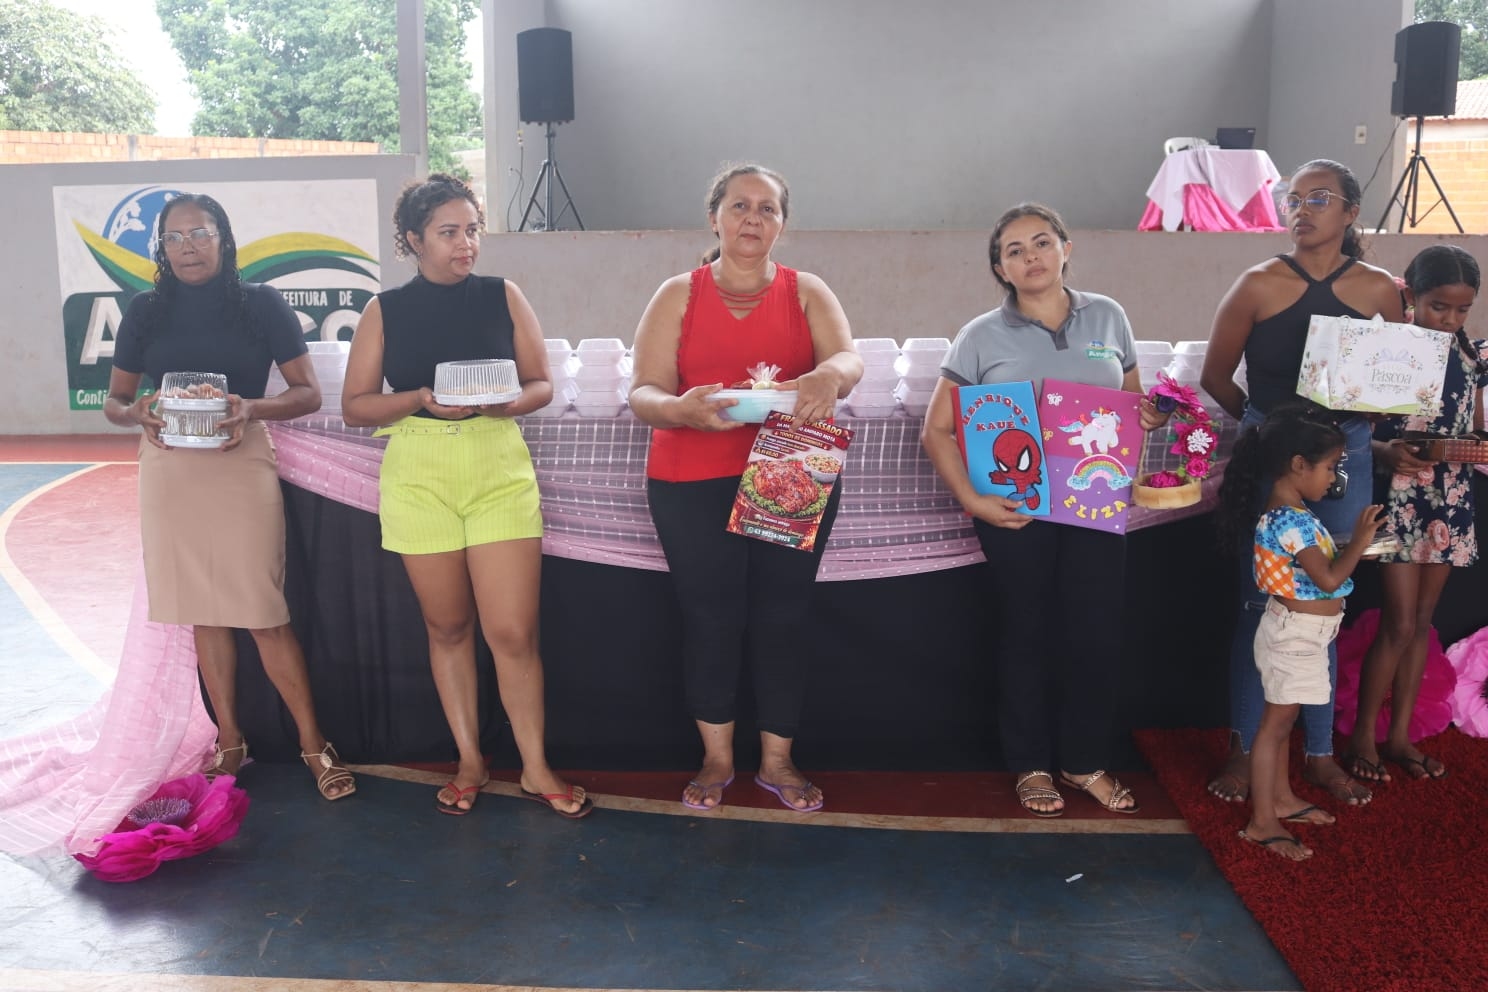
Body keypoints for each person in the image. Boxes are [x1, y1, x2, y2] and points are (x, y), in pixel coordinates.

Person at [341, 174, 589, 818]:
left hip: (498, 469)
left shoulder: (504, 295)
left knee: (513, 632)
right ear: (413, 240)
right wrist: (420, 399)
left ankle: (535, 766)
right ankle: (471, 760)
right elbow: (356, 406)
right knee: (448, 627)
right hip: (418, 474)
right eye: (449, 232)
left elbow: (541, 384)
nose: (466, 244)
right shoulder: (384, 310)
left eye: (472, 230)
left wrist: (506, 404)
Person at [920, 202, 1169, 817]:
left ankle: (1083, 761)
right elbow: (937, 430)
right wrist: (974, 500)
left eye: (1041, 242)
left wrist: (1149, 420)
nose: (1030, 256)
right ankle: (1029, 764)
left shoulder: (1109, 317)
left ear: (1066, 249)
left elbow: (1132, 404)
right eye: (1014, 250)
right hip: (1017, 509)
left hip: (1095, 503)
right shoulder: (980, 336)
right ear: (1000, 269)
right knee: (1026, 633)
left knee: (1095, 635)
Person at [104, 193, 355, 801]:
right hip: (169, 470)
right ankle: (230, 742)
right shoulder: (144, 311)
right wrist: (136, 412)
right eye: (174, 238)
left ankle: (314, 744)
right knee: (204, 611)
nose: (187, 247)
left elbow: (306, 393)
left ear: (224, 238)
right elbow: (114, 401)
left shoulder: (261, 303)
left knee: (264, 612)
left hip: (240, 463)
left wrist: (252, 408)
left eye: (200, 233)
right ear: (161, 249)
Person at [628, 163, 862, 812]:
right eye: (739, 206)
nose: (752, 218)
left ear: (782, 223)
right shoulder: (677, 294)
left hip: (792, 467)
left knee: (783, 617)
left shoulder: (806, 290)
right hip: (690, 475)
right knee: (711, 617)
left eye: (766, 208)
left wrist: (829, 376)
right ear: (715, 218)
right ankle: (717, 759)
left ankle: (778, 762)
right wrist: (680, 410)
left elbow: (849, 358)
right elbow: (643, 392)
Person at [1199, 159, 1404, 807]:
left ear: (1350, 212)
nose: (1301, 209)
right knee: (1259, 607)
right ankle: (1242, 746)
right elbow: (1215, 377)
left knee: (1325, 607)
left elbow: (1395, 383)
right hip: (1271, 464)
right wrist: (1269, 434)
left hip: (1346, 462)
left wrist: (1358, 439)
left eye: (1318, 198)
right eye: (1292, 199)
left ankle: (1318, 754)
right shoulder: (1257, 283)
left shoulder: (1379, 291)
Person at [1215, 401, 1386, 860]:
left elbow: (1318, 572)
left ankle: (1282, 800)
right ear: (1298, 465)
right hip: (1293, 638)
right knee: (1273, 728)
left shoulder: (1293, 514)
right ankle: (1261, 822)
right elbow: (1328, 579)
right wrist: (1360, 542)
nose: (1334, 478)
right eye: (1330, 467)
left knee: (1283, 723)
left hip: (1305, 635)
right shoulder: (1289, 519)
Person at [1350, 245, 1486, 782]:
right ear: (1410, 295)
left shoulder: (1473, 356)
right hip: (1399, 499)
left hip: (1451, 501)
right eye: (1438, 307)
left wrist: (1474, 446)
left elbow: (1474, 428)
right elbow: (1352, 427)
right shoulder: (1388, 348)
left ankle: (1400, 738)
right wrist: (1385, 451)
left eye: (1462, 310)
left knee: (1423, 623)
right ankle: (1363, 737)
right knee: (1399, 622)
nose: (1450, 320)